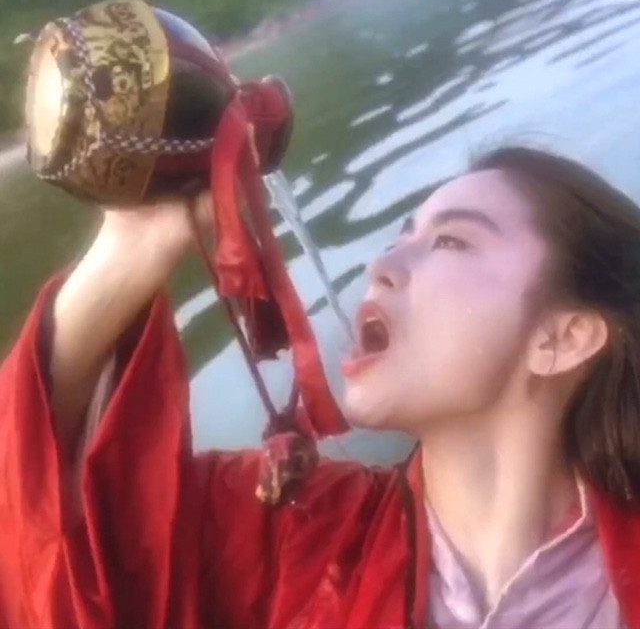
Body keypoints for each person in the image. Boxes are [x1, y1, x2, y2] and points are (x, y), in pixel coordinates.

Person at [1, 145, 640, 629]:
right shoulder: (293, 530)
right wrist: (134, 248)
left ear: (564, 338)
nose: (381, 266)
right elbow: (49, 540)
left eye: (450, 241)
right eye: (401, 236)